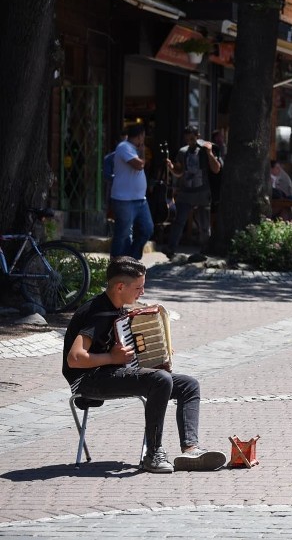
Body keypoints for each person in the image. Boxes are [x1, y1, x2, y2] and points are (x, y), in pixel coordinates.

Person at [62, 256, 227, 473]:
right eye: (139, 287)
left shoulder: (118, 308)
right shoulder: (97, 312)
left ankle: (190, 450)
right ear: (120, 286)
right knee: (160, 380)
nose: (142, 293)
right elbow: (74, 358)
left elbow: (126, 350)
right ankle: (154, 454)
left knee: (188, 385)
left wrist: (156, 355)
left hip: (113, 373)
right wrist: (112, 358)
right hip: (88, 380)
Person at [164, 125, 223, 260]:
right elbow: (179, 172)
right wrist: (172, 168)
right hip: (186, 192)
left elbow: (216, 169)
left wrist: (209, 153)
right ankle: (171, 248)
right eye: (187, 139)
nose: (190, 142)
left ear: (198, 136)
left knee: (204, 224)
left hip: (202, 192)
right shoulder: (182, 152)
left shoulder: (204, 150)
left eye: (192, 138)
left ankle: (205, 250)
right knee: (179, 221)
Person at [110, 124, 154, 260]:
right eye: (143, 136)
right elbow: (139, 165)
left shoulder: (134, 149)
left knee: (147, 229)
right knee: (123, 234)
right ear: (140, 135)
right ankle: (117, 262)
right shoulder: (124, 147)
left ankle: (131, 259)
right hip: (125, 200)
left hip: (140, 199)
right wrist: (141, 151)